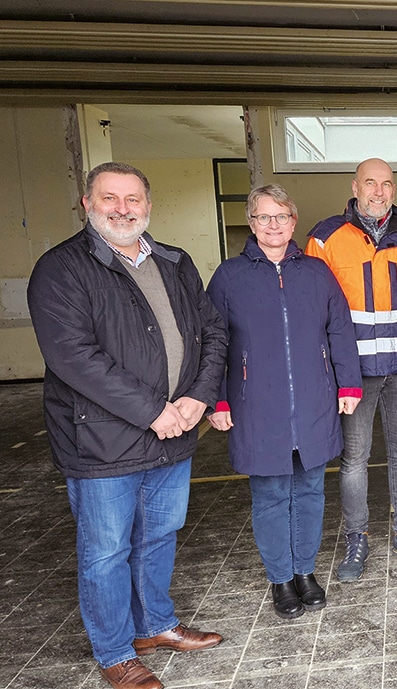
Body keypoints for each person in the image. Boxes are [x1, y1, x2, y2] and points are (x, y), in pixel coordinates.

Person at [27, 162, 227, 689]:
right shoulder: (62, 268)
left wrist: (197, 397)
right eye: (110, 198)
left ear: (148, 205)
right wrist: (154, 410)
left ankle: (154, 626)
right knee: (106, 551)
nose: (123, 208)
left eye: (132, 198)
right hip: (102, 440)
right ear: (87, 204)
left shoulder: (175, 261)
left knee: (159, 536)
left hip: (175, 432)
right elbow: (73, 357)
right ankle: (115, 652)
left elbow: (211, 333)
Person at [207, 185, 362, 619]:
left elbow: (340, 330)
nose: (273, 225)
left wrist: (348, 386)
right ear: (251, 222)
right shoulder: (229, 277)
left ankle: (305, 572)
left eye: (281, 217)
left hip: (314, 400)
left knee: (311, 490)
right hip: (256, 405)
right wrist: (217, 401)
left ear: (294, 222)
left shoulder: (316, 272)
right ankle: (280, 579)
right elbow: (213, 344)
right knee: (272, 494)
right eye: (263, 217)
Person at [305, 158, 397, 581]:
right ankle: (356, 539)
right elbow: (315, 311)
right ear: (355, 186)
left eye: (386, 184)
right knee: (355, 459)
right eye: (370, 183)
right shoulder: (325, 239)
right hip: (354, 372)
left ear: (393, 190)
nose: (378, 192)